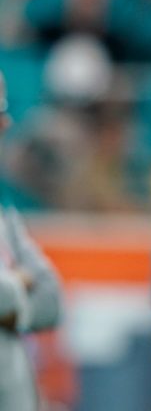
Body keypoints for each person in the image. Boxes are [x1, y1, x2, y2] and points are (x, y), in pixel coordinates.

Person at [0, 70, 62, 410]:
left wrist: (10, 297)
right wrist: (19, 282)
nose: (7, 123)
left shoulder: (3, 210)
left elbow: (52, 298)